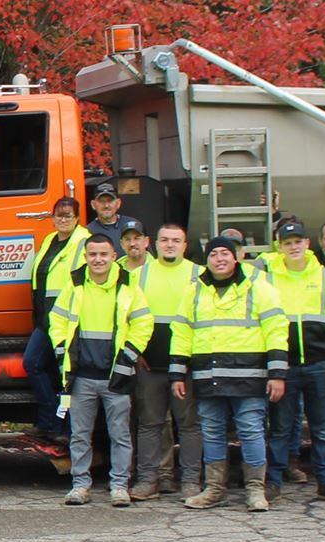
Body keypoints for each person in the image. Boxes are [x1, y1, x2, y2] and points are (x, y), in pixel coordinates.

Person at [177, 237, 288, 512]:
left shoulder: (258, 288)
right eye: (213, 254)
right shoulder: (194, 291)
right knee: (212, 432)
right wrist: (177, 373)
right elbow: (181, 333)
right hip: (208, 375)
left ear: (235, 257)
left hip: (249, 376)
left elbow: (276, 330)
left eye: (224, 253)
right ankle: (214, 489)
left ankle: (255, 490)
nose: (219, 259)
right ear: (207, 260)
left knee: (251, 431)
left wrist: (277, 374)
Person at [50, 231, 151, 506]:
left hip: (116, 374)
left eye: (104, 254)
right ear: (85, 257)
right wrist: (62, 349)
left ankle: (119, 486)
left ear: (114, 256)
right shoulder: (74, 285)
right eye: (92, 254)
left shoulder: (128, 285)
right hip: (81, 376)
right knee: (80, 435)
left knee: (120, 435)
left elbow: (143, 323)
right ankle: (80, 486)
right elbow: (57, 320)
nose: (98, 259)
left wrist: (128, 357)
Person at [263, 219, 325, 503]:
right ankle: (273, 482)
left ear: (307, 244)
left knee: (322, 429)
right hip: (284, 366)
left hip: (320, 364)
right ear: (279, 247)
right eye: (287, 243)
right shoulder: (268, 278)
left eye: (298, 242)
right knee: (280, 428)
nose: (293, 247)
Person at [128, 223, 200, 500]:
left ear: (185, 245)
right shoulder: (138, 275)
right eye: (165, 240)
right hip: (150, 366)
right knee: (149, 424)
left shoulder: (199, 275)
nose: (170, 245)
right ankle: (148, 480)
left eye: (176, 240)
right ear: (155, 244)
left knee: (189, 425)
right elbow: (126, 318)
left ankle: (191, 481)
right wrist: (136, 353)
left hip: (187, 366)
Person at [24, 195, 85, 456]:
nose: (62, 219)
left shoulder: (83, 242)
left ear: (77, 218)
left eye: (68, 215)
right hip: (45, 319)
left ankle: (65, 431)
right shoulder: (50, 240)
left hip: (68, 320)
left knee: (66, 377)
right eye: (59, 215)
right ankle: (49, 421)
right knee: (34, 364)